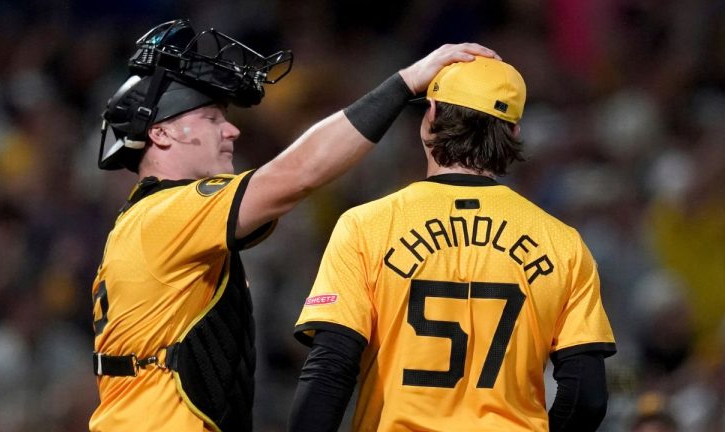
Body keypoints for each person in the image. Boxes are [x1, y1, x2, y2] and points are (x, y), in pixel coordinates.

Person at [89, 18, 499, 432]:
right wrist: (405, 83)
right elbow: (298, 173)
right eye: (213, 118)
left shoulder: (157, 218)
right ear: (160, 134)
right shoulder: (167, 213)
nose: (231, 130)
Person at [289, 57, 617, 432]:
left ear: (430, 116)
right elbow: (586, 397)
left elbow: (329, 372)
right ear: (513, 131)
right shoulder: (562, 243)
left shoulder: (366, 226)